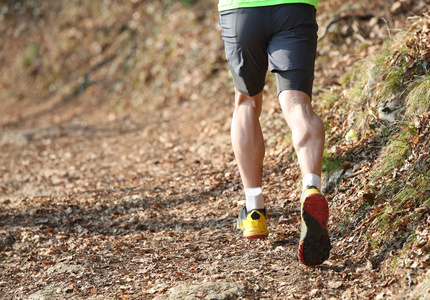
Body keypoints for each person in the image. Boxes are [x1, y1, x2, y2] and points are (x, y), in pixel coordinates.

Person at [218, 0, 331, 266]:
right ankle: (311, 186)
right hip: (294, 8)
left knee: (246, 103)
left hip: (241, 11)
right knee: (298, 104)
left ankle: (254, 209)